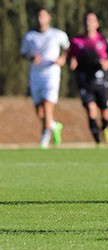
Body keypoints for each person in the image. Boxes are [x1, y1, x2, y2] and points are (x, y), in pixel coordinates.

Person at [20, 8, 70, 149]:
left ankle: (44, 139)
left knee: (47, 107)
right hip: (36, 75)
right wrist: (31, 57)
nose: (40, 18)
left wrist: (63, 59)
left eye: (43, 15)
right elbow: (23, 53)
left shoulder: (57, 34)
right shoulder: (30, 36)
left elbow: (68, 49)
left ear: (49, 18)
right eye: (38, 15)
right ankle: (54, 126)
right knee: (39, 112)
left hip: (51, 74)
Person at [68, 11, 108, 145]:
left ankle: (105, 128)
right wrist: (72, 61)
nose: (88, 23)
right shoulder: (76, 41)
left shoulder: (104, 40)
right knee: (91, 112)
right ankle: (97, 142)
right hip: (85, 80)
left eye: (91, 20)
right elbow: (70, 55)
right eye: (86, 20)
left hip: (101, 79)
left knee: (106, 114)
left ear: (97, 24)